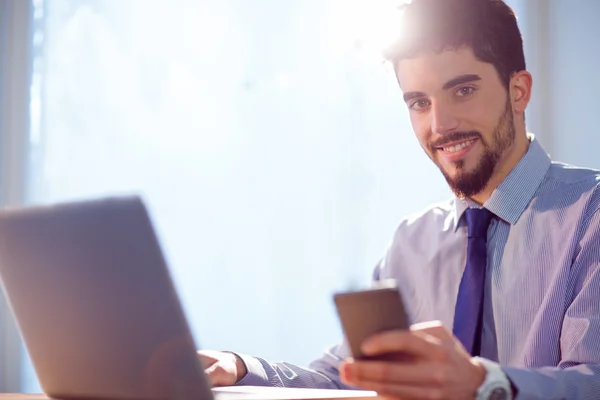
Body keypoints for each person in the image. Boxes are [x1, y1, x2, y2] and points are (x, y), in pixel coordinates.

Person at [198, 0, 600, 399]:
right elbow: (348, 379)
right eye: (420, 103)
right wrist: (240, 368)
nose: (440, 125)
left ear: (518, 91)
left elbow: (593, 381)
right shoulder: (412, 241)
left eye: (463, 90)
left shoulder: (591, 215)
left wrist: (484, 386)